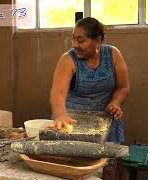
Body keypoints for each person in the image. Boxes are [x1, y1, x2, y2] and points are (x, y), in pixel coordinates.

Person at [48, 17, 130, 179]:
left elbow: (123, 87)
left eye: (81, 40)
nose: (75, 45)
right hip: (72, 122)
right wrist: (60, 114)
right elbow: (58, 92)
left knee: (103, 169)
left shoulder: (113, 54)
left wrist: (115, 103)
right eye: (73, 39)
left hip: (104, 123)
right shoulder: (68, 59)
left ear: (97, 41)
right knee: (74, 169)